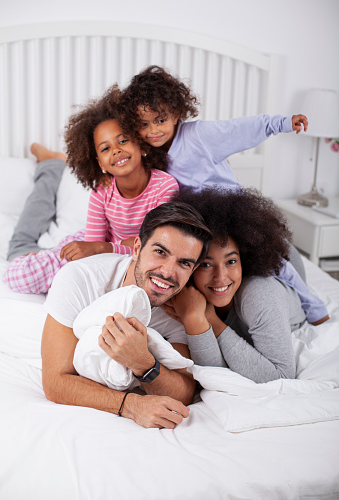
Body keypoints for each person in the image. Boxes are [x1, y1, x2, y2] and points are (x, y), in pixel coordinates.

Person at [118, 65, 328, 325]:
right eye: (143, 125)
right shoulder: (151, 154)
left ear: (176, 113)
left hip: (231, 211)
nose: (153, 131)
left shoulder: (199, 135)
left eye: (160, 120)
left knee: (276, 262)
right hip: (197, 220)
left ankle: (312, 304)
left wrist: (282, 123)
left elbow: (240, 129)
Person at [41, 201, 212, 429]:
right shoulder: (79, 278)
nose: (168, 272)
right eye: (160, 252)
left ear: (193, 269)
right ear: (137, 248)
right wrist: (130, 405)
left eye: (184, 263)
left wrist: (142, 363)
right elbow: (55, 382)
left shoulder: (181, 307)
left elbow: (185, 391)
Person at [4, 86, 178, 294]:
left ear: (141, 146)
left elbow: (153, 247)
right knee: (19, 268)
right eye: (106, 148)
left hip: (107, 250)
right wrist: (103, 248)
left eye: (123, 140)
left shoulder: (165, 187)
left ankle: (53, 164)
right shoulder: (103, 189)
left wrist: (105, 248)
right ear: (100, 163)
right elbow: (94, 245)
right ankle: (51, 164)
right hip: (97, 247)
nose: (116, 150)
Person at [163, 187, 319, 383]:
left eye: (231, 261)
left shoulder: (259, 293)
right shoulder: (189, 293)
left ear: (244, 260)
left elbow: (281, 376)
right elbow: (213, 371)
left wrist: (211, 320)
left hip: (284, 267)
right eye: (206, 264)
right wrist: (196, 321)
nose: (220, 277)